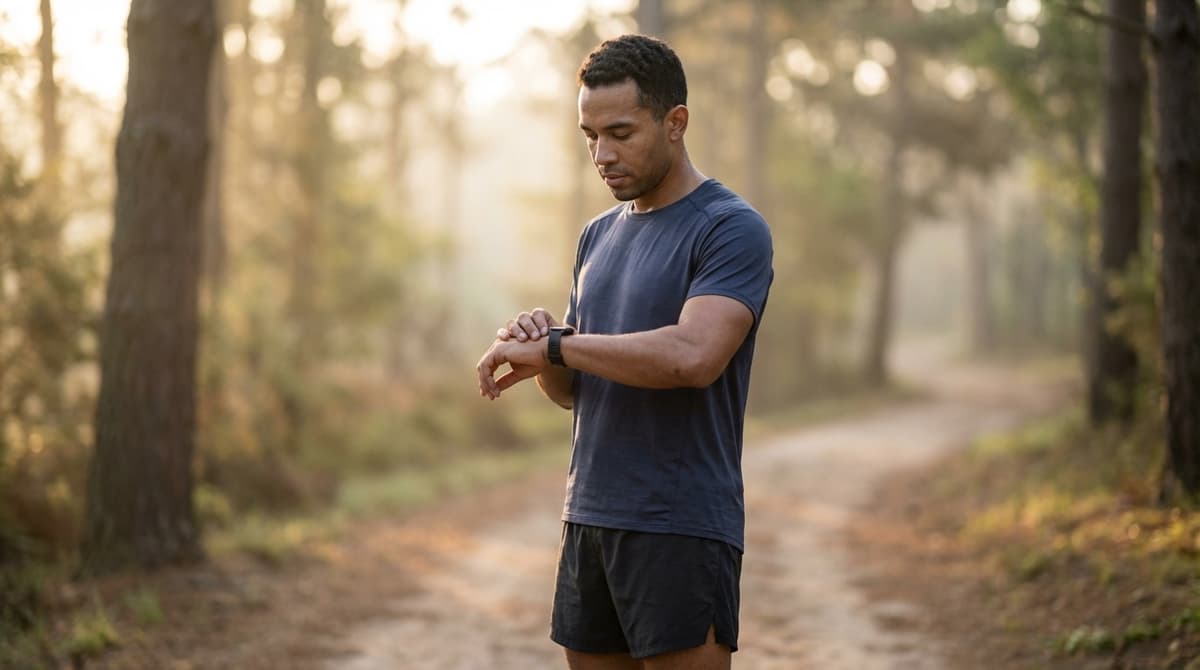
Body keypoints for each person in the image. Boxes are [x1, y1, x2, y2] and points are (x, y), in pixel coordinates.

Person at [475, 33, 773, 670]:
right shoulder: (596, 237)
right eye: (589, 135)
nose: (601, 154)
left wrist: (562, 344)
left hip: (681, 524)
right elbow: (574, 390)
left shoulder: (729, 227)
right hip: (588, 517)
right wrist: (542, 352)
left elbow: (694, 356)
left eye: (619, 132)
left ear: (676, 123)